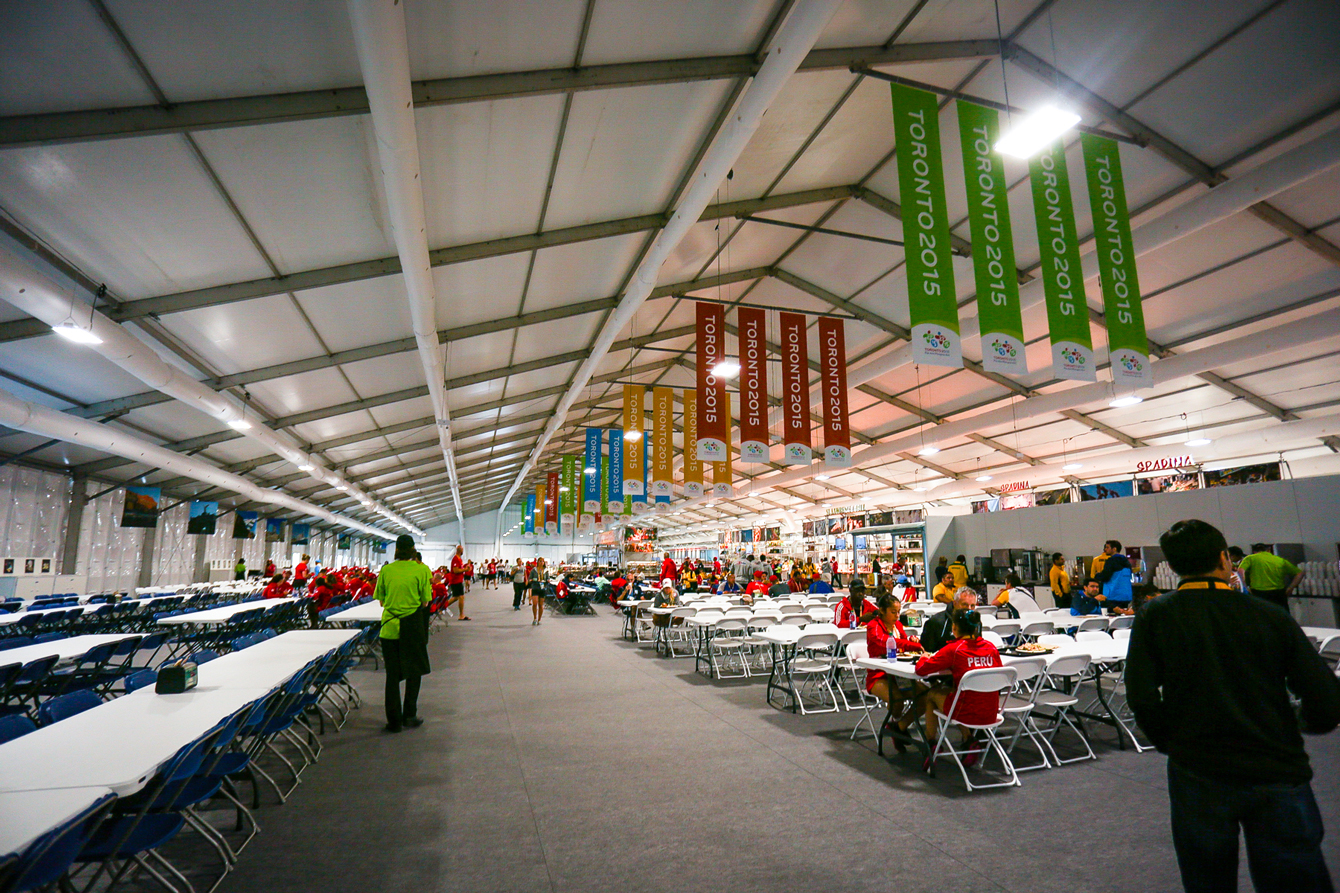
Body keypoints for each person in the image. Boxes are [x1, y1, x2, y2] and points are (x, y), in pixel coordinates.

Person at [1127, 519, 1340, 893]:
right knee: (1295, 878)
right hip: (1275, 766)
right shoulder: (1269, 614)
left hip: (1197, 768)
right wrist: (1298, 724)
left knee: (1207, 878)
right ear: (1225, 559)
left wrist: (1171, 742)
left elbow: (1141, 694)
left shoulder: (1156, 615)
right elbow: (1326, 697)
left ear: (1172, 566)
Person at [915, 607, 1003, 767]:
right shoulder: (991, 647)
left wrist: (923, 657)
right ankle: (968, 740)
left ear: (954, 627)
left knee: (931, 694)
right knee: (958, 694)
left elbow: (921, 670)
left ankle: (931, 744)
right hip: (991, 711)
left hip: (966, 711)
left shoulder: (954, 649)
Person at [374, 534, 432, 733]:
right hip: (412, 627)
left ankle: (394, 721)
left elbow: (381, 601)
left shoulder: (386, 570)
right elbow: (425, 602)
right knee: (414, 672)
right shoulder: (422, 570)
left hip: (390, 628)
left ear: (396, 550)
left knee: (392, 675)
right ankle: (410, 715)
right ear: (413, 550)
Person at [865, 593, 926, 750]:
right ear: (882, 611)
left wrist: (911, 640)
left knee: (925, 696)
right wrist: (911, 645)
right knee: (896, 700)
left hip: (899, 674)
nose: (897, 616)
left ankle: (899, 727)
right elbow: (886, 641)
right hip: (878, 676)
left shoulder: (898, 625)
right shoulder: (873, 626)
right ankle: (898, 727)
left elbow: (903, 642)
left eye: (899, 612)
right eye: (893, 612)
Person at [1238, 543, 1303, 611]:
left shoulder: (1250, 558)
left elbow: (1240, 570)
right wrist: (1290, 588)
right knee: (1280, 614)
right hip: (1278, 593)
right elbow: (1299, 573)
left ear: (1254, 551)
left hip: (1259, 593)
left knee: (1261, 615)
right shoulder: (1280, 560)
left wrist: (1245, 586)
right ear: (1268, 550)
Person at [920, 588, 976, 654]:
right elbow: (926, 651)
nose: (969, 609)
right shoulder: (935, 622)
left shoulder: (975, 622)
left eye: (972, 606)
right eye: (965, 605)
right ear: (955, 603)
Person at [1095, 540, 1133, 612]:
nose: (1105, 549)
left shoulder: (1111, 561)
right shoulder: (1126, 562)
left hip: (1113, 595)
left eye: (1107, 547)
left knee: (1111, 616)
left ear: (1114, 549)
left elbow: (1105, 576)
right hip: (1126, 596)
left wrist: (1097, 575)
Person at [448, 545, 470, 620]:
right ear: (460, 551)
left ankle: (441, 607)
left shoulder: (459, 559)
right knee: (461, 597)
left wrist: (465, 569)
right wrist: (465, 570)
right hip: (456, 581)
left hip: (459, 580)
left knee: (455, 597)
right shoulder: (455, 559)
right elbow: (456, 570)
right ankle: (461, 615)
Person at [530, 557, 549, 626]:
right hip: (535, 587)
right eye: (540, 561)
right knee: (535, 603)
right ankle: (535, 618)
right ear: (537, 562)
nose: (541, 562)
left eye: (542, 561)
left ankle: (539, 619)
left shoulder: (546, 571)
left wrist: (547, 580)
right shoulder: (534, 570)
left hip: (542, 588)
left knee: (541, 605)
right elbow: (530, 578)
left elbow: (548, 578)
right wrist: (533, 580)